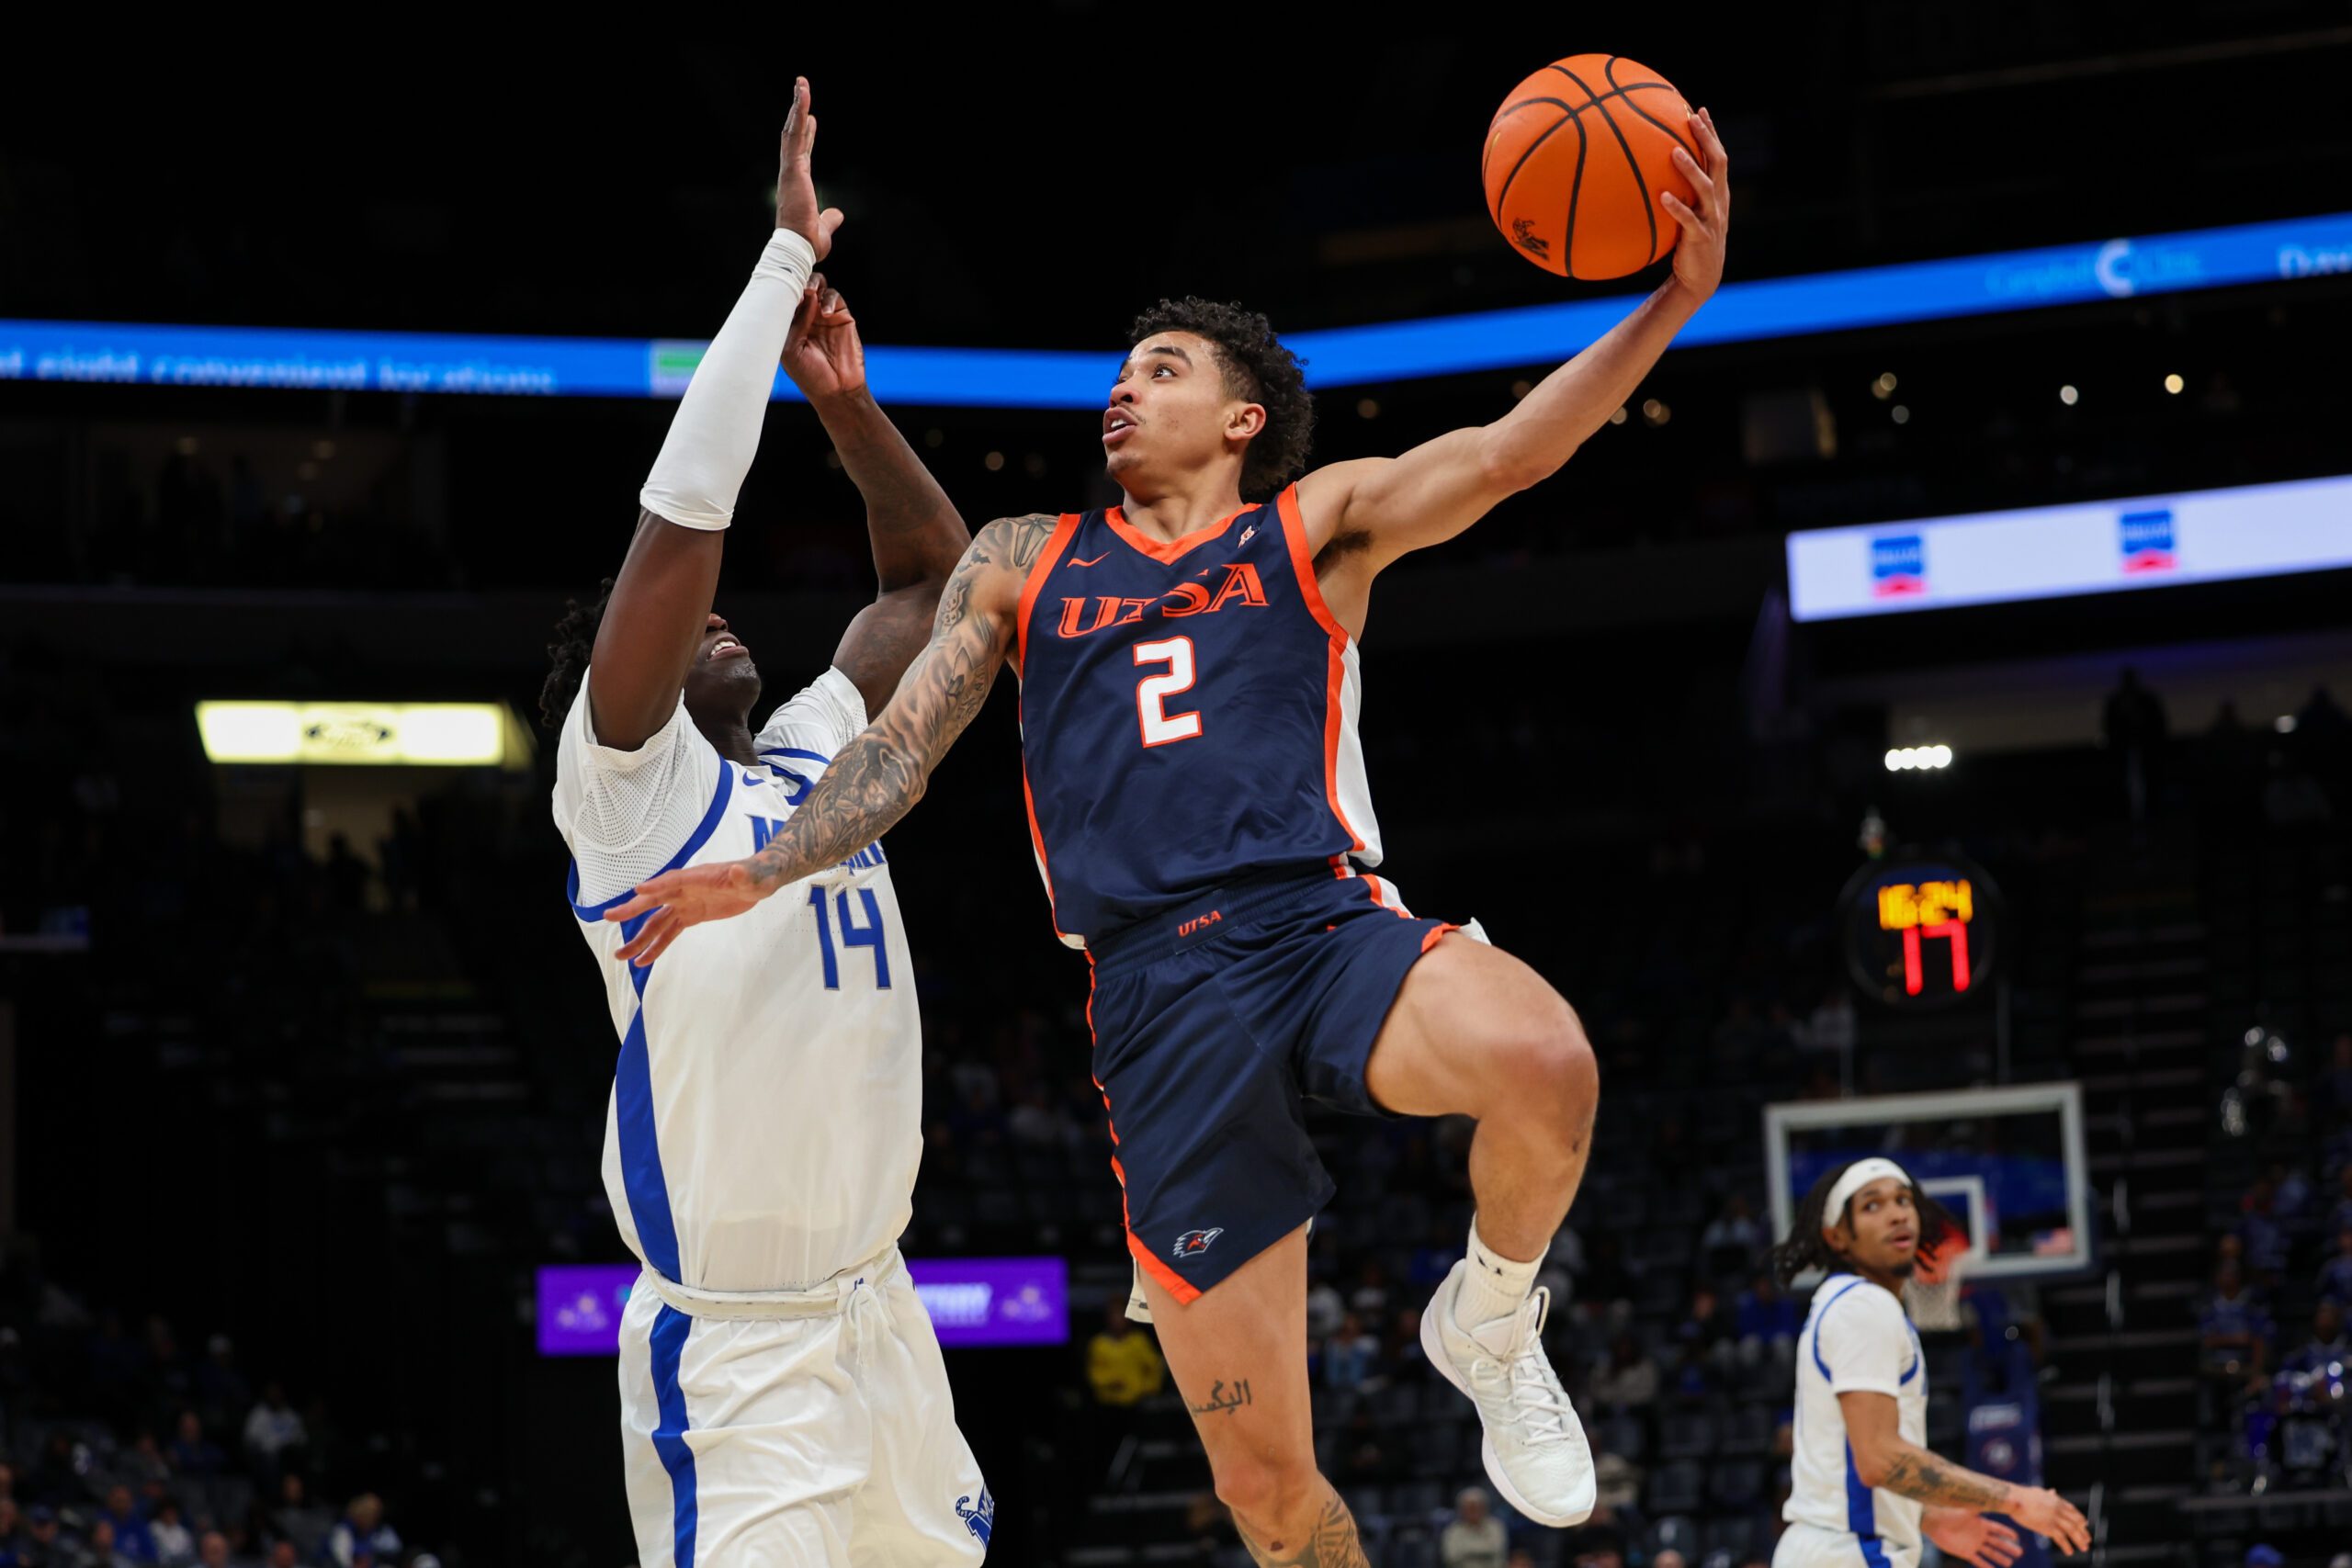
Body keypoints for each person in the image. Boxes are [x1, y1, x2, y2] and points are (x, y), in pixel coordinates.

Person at [607, 96, 1741, 1557]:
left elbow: (1514, 451)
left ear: (1244, 417)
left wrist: (1676, 300)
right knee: (1272, 1494)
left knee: (1546, 1056)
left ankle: (1496, 1312)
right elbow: (897, 750)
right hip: (1158, 994)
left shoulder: (1316, 522)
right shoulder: (1029, 562)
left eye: (1163, 370)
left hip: (1321, 921)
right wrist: (758, 869)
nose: (1122, 393)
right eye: (1123, 371)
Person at [541, 82, 987, 1568]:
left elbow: (935, 591)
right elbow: (684, 521)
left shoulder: (809, 753)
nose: (717, 617)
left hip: (885, 1313)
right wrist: (781, 262)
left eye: (733, 614)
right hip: (741, 1363)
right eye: (690, 626)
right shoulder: (627, 794)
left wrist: (845, 406)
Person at [1770, 1158, 2089, 1568]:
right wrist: (2015, 1499)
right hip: (1850, 1553)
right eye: (1872, 1206)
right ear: (1837, 1237)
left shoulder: (1847, 1302)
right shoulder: (1863, 1307)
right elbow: (1880, 1459)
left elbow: (1847, 1460)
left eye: (1903, 1200)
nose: (1897, 1213)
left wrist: (1925, 1516)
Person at [1088, 1299, 1168, 1408]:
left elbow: (1155, 1367)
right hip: (1107, 1403)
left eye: (1121, 1315)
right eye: (1114, 1315)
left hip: (1136, 1403)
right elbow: (1094, 1373)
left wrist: (1148, 1388)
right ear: (1107, 1318)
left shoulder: (1139, 1342)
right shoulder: (1099, 1345)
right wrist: (1110, 1382)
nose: (1117, 1320)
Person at [1439, 1487, 1508, 1568]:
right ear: (1462, 1510)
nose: (1473, 1512)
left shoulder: (1496, 1527)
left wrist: (1465, 1551)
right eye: (1469, 1508)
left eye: (1476, 1507)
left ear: (1484, 1508)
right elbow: (1451, 1556)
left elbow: (1497, 1549)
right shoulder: (1453, 1531)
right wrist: (1485, 1552)